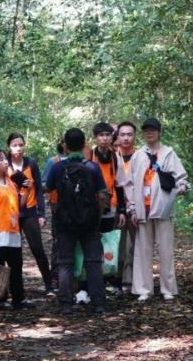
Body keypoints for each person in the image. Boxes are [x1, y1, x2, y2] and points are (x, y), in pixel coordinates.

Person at [46, 128, 109, 315]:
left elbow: (48, 189)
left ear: (65, 145)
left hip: (65, 222)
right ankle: (99, 303)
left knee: (65, 261)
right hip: (89, 221)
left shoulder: (57, 168)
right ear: (84, 145)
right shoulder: (92, 167)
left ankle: (66, 304)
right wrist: (97, 216)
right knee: (93, 262)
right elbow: (102, 195)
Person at [125, 118, 189, 302]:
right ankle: (144, 289)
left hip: (163, 207)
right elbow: (130, 184)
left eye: (153, 130)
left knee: (166, 250)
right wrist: (133, 208)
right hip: (142, 208)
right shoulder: (138, 155)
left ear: (159, 132)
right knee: (142, 250)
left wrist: (182, 186)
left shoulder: (169, 153)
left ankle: (167, 288)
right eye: (146, 130)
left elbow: (181, 177)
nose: (149, 133)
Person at [0, 148, 35, 310]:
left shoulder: (11, 182)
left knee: (16, 265)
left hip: (12, 230)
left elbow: (19, 205)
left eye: (5, 159)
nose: (5, 162)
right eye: (1, 159)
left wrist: (28, 190)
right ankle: (0, 299)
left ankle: (19, 298)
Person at [6, 132, 53, 294]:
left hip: (30, 212)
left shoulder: (31, 163)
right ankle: (16, 289)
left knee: (37, 249)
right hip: (11, 213)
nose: (18, 148)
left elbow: (39, 189)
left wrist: (41, 214)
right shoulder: (4, 164)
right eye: (14, 145)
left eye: (20, 145)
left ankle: (49, 284)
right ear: (9, 147)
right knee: (13, 252)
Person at [88, 122, 127, 295]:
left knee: (108, 244)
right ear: (95, 138)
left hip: (110, 207)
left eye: (107, 135)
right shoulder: (89, 156)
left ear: (112, 137)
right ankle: (89, 282)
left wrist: (122, 209)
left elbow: (119, 184)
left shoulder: (114, 157)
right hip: (92, 208)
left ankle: (106, 280)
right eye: (101, 135)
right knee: (91, 243)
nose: (104, 138)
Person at [114, 121, 138, 293]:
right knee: (117, 244)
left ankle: (133, 279)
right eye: (122, 135)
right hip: (117, 206)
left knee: (136, 243)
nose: (126, 138)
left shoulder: (141, 156)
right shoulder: (112, 157)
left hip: (137, 207)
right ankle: (116, 278)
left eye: (129, 135)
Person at [41, 139, 66, 290]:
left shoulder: (82, 158)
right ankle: (55, 276)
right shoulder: (53, 161)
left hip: (78, 208)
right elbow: (44, 183)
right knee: (57, 242)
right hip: (57, 206)